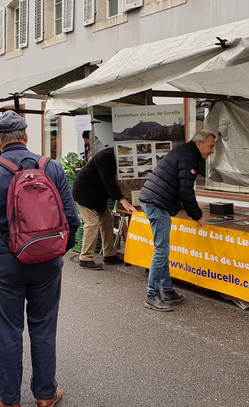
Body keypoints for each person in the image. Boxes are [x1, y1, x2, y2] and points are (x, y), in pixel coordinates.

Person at [0, 111, 79, 407]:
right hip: (46, 262)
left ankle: (10, 400)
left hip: (4, 264)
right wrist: (56, 252)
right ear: (26, 137)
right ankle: (45, 396)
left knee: (8, 331)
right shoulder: (51, 168)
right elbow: (72, 220)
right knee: (43, 328)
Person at [138, 129, 217, 312]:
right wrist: (198, 216)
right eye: (210, 146)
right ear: (199, 143)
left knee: (163, 249)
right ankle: (151, 295)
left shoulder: (186, 152)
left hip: (153, 201)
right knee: (162, 250)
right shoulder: (188, 156)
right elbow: (186, 191)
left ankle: (167, 290)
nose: (212, 151)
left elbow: (180, 187)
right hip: (156, 203)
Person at [72, 147, 136, 269]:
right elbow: (108, 181)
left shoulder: (118, 157)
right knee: (92, 224)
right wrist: (123, 201)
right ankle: (85, 258)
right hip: (84, 193)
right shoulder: (105, 156)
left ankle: (109, 255)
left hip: (98, 197)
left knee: (107, 221)